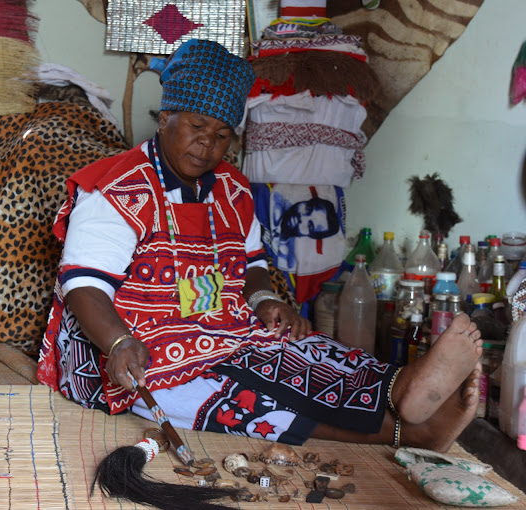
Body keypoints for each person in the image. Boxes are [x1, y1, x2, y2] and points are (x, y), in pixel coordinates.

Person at [37, 39, 483, 453]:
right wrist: (118, 342)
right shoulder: (115, 188)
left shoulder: (233, 189)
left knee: (301, 351)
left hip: (220, 329)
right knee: (242, 402)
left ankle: (401, 387)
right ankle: (411, 432)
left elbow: (250, 263)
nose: (207, 144)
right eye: (196, 126)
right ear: (164, 117)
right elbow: (84, 287)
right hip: (130, 343)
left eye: (222, 135)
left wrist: (264, 299)